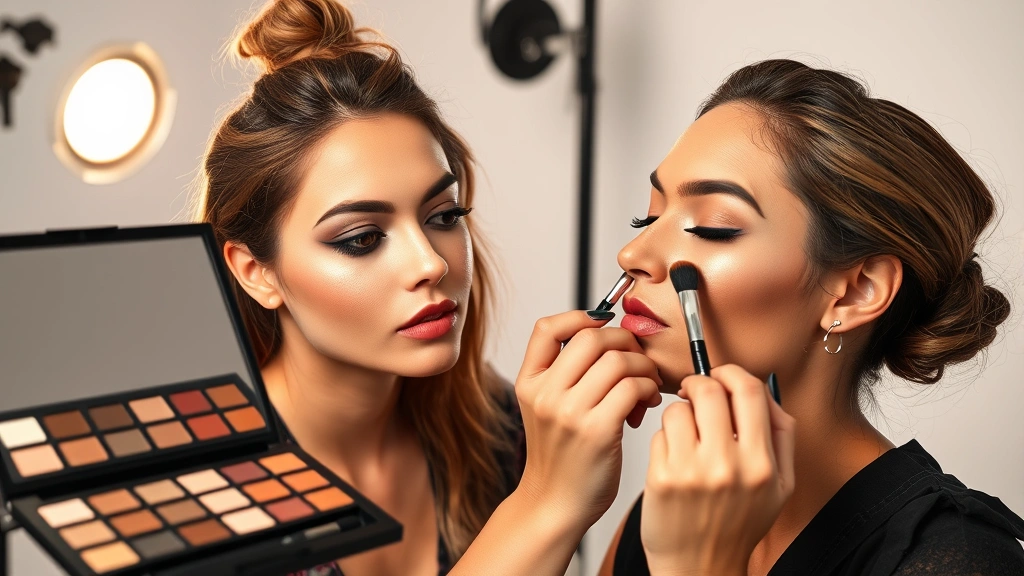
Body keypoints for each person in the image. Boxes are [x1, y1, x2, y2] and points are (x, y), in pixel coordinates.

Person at [196, 1, 666, 574]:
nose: (430, 263)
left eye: (443, 216)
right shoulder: (204, 493)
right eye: (362, 238)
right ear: (256, 272)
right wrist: (546, 503)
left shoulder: (498, 432)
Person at [598, 59, 1024, 576]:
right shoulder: (665, 518)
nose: (632, 252)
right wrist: (548, 492)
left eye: (711, 226)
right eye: (649, 216)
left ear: (855, 292)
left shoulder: (958, 559)